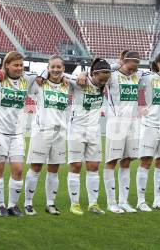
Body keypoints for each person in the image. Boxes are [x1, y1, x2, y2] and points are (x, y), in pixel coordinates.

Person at [0, 51, 39, 217]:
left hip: (17, 133)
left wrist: (81, 73)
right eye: (15, 65)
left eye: (21, 65)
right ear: (7, 65)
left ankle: (12, 205)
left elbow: (47, 73)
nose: (19, 68)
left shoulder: (27, 79)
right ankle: (0, 205)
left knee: (18, 170)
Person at [23, 55, 70, 216]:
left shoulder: (67, 84)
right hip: (42, 132)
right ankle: (28, 203)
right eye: (53, 67)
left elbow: (81, 78)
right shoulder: (39, 84)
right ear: (48, 68)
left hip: (60, 133)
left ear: (63, 69)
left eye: (59, 67)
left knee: (54, 170)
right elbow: (26, 76)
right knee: (35, 168)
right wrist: (43, 73)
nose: (56, 70)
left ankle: (50, 203)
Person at [66, 58, 111, 216]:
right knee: (76, 167)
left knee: (93, 168)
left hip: (95, 131)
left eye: (105, 79)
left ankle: (93, 204)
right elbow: (57, 74)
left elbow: (121, 65)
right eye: (100, 79)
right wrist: (82, 73)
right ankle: (75, 204)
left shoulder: (105, 80)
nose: (102, 83)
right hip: (76, 130)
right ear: (94, 73)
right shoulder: (79, 82)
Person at [136, 52, 160, 212]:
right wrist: (140, 108)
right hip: (150, 125)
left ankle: (157, 200)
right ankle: (140, 201)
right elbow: (135, 83)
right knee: (145, 162)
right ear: (159, 63)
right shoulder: (148, 77)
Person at [103, 51, 142, 214]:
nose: (133, 70)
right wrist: (116, 64)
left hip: (133, 124)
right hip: (116, 124)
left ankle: (123, 201)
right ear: (124, 61)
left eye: (136, 67)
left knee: (126, 162)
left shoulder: (138, 75)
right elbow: (98, 69)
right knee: (111, 162)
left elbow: (157, 73)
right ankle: (111, 202)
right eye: (131, 66)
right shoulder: (112, 75)